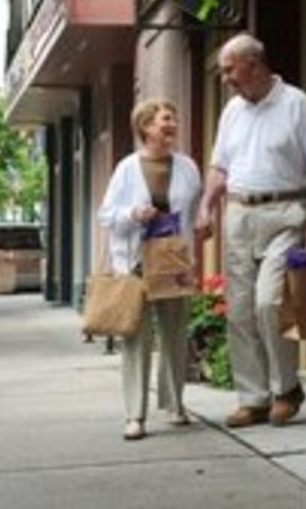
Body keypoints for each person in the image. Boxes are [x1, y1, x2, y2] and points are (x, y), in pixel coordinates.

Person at [197, 33, 306, 428]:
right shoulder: (232, 111)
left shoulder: (296, 103)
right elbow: (219, 167)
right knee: (239, 310)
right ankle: (252, 399)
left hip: (287, 211)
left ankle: (287, 389)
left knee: (268, 303)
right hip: (239, 213)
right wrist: (206, 207)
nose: (225, 78)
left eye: (229, 69)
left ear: (253, 63)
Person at [98, 99, 202, 440]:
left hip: (173, 261)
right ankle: (135, 415)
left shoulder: (188, 167)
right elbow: (106, 215)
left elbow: (194, 213)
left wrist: (202, 230)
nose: (171, 126)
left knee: (174, 334)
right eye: (164, 121)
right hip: (136, 262)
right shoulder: (127, 168)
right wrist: (132, 214)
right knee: (136, 338)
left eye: (173, 120)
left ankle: (175, 405)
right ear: (146, 127)